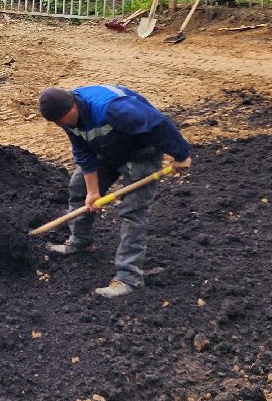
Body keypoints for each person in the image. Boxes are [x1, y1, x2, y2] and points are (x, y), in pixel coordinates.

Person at [38, 85, 192, 299]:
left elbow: (158, 123)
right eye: (55, 122)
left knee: (132, 211)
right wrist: (93, 192)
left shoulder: (114, 109)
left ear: (72, 106)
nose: (60, 125)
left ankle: (129, 278)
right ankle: (81, 241)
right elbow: (82, 152)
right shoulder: (66, 117)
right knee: (79, 187)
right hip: (106, 149)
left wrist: (181, 154)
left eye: (60, 119)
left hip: (140, 153)